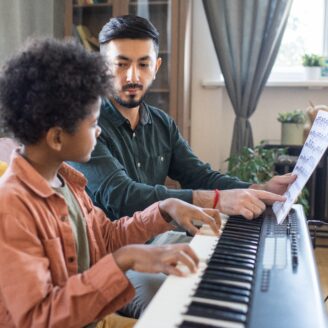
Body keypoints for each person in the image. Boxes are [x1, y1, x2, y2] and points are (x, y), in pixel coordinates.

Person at [0, 38, 221, 328]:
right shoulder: (12, 208)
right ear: (56, 137)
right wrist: (124, 260)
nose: (100, 130)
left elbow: (105, 239)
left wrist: (164, 209)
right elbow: (39, 318)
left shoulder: (67, 181)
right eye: (93, 124)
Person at [71, 14, 293, 222]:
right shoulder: (84, 126)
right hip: (107, 255)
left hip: (156, 244)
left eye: (143, 64)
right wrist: (216, 200)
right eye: (121, 64)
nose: (133, 76)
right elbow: (122, 197)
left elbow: (198, 176)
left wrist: (257, 189)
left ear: (156, 67)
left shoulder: (162, 124)